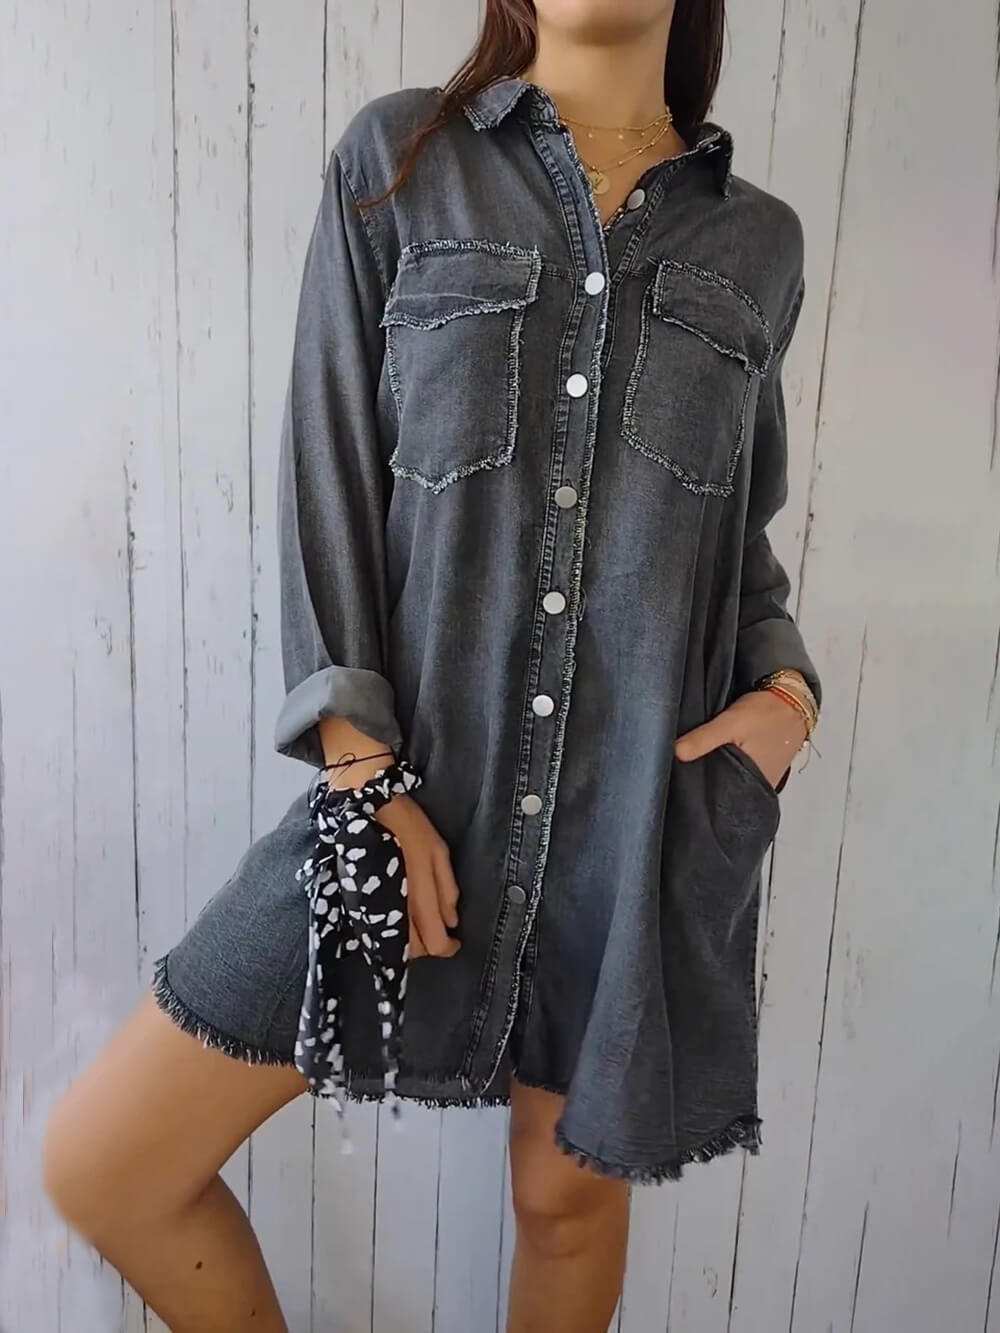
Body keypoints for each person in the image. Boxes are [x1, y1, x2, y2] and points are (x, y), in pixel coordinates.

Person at [42, 1, 822, 1329]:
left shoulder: (759, 242)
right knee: (110, 1164)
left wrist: (786, 694)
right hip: (402, 802)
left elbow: (737, 542)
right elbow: (329, 476)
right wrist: (364, 773)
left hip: (631, 822)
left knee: (564, 1204)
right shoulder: (402, 160)